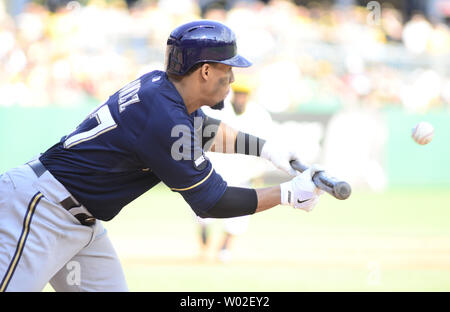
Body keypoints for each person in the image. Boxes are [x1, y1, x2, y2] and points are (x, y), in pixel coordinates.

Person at [0, 20, 323, 292]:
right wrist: (287, 194)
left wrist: (268, 150)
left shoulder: (161, 88)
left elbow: (204, 129)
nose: (233, 79)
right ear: (206, 71)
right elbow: (212, 202)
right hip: (40, 211)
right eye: (228, 68)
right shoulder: (165, 117)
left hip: (77, 219)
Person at [196, 73, 274, 262]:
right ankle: (204, 232)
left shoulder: (259, 115)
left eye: (244, 94)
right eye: (238, 93)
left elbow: (266, 145)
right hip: (216, 169)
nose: (241, 97)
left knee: (240, 213)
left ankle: (224, 247)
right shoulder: (218, 110)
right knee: (202, 211)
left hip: (242, 172)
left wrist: (259, 171)